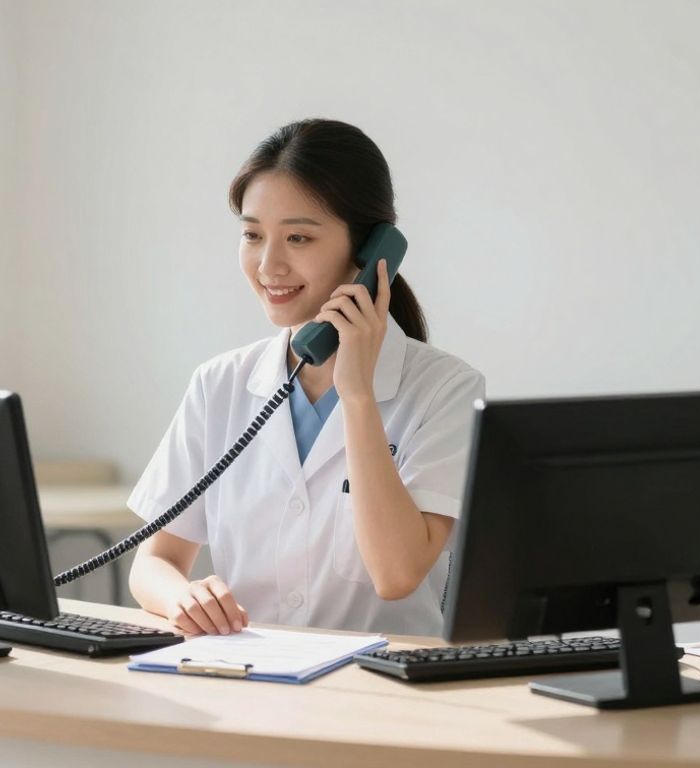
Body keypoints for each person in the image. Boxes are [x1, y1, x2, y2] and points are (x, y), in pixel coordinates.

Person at [127, 119, 485, 638]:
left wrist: (358, 394)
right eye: (253, 235)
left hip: (379, 696)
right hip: (246, 681)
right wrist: (184, 597)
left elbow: (397, 573)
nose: (269, 264)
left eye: (298, 237)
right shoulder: (220, 384)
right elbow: (153, 561)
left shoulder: (446, 391)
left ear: (371, 251)